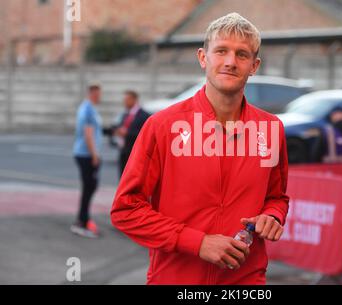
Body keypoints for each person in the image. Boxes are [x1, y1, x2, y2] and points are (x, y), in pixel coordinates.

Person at [110, 13, 289, 285]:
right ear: (203, 58)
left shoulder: (271, 128)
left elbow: (277, 197)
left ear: (254, 66)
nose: (230, 62)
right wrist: (198, 242)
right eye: (221, 51)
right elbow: (126, 210)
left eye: (242, 55)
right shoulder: (162, 126)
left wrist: (272, 216)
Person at [71, 84, 103, 238]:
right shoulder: (89, 109)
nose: (99, 97)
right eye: (97, 94)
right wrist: (94, 155)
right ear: (91, 93)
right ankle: (82, 221)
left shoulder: (86, 107)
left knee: (89, 187)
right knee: (89, 186)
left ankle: (83, 218)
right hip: (86, 154)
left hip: (83, 153)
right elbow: (88, 133)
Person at [112, 90, 150, 178]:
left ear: (134, 100)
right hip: (124, 150)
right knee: (122, 177)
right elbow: (118, 126)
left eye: (127, 99)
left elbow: (145, 134)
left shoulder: (144, 115)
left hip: (135, 152)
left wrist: (127, 133)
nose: (124, 102)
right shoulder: (125, 113)